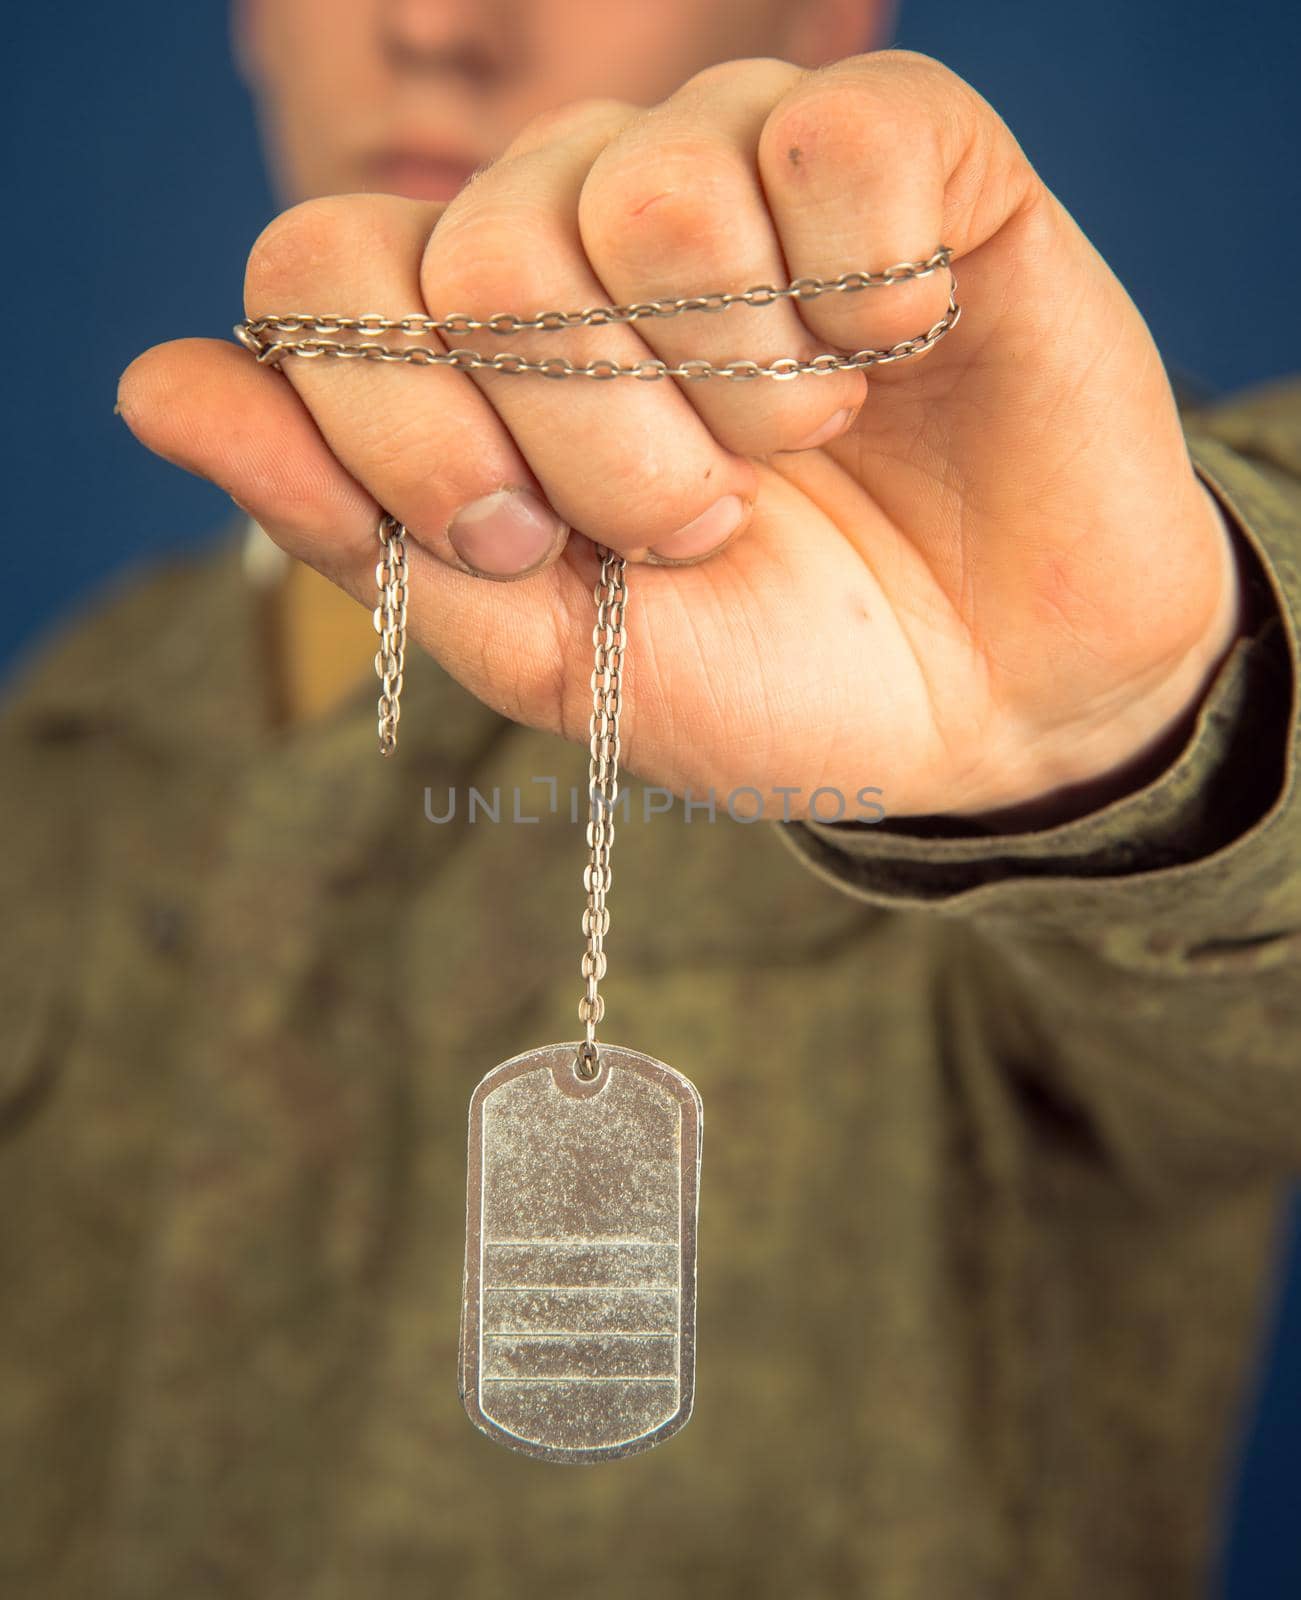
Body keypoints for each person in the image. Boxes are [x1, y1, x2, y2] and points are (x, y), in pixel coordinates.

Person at [2, 0, 1297, 1594]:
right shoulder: (64, 717)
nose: (433, 24)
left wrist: (1125, 723)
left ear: (819, 17)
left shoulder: (1039, 553)